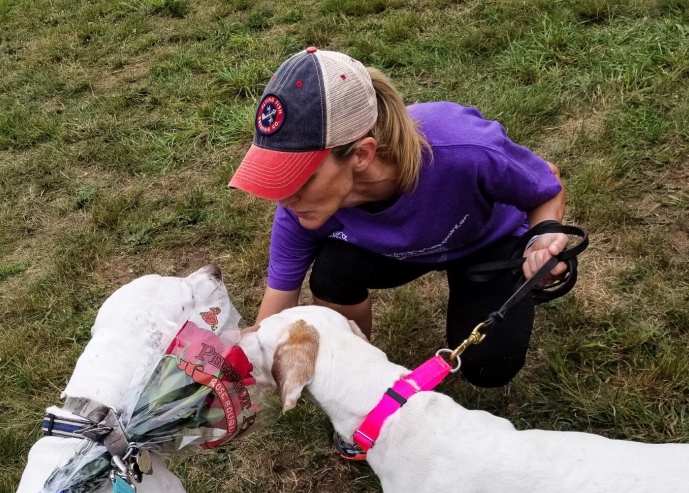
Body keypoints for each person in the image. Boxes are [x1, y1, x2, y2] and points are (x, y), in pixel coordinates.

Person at [229, 47, 573, 458]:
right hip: (398, 255)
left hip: (486, 245)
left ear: (362, 154)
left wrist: (541, 240)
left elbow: (546, 185)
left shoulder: (464, 148)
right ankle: (365, 384)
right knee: (333, 270)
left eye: (300, 177)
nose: (284, 197)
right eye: (276, 176)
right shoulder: (303, 212)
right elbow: (276, 305)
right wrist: (233, 372)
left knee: (490, 365)